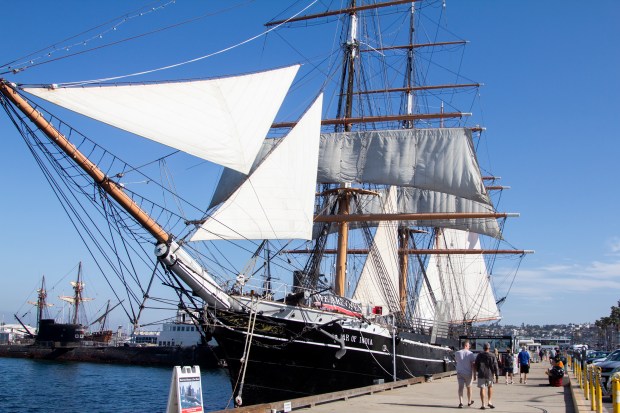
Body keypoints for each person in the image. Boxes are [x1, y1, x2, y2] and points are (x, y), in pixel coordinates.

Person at [474, 342, 499, 409]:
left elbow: (476, 364)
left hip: (481, 373)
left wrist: (476, 372)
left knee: (482, 388)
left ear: (483, 348)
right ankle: (489, 402)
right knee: (490, 387)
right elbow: (495, 366)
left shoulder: (479, 355)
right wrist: (497, 376)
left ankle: (483, 404)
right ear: (489, 348)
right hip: (490, 374)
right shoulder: (492, 355)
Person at [455, 340, 476, 408]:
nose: (469, 346)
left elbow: (457, 360)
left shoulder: (457, 353)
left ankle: (461, 402)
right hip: (468, 373)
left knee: (460, 388)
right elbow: (473, 364)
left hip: (460, 372)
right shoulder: (470, 353)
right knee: (469, 388)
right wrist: (474, 374)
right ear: (466, 345)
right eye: (469, 345)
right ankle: (469, 401)